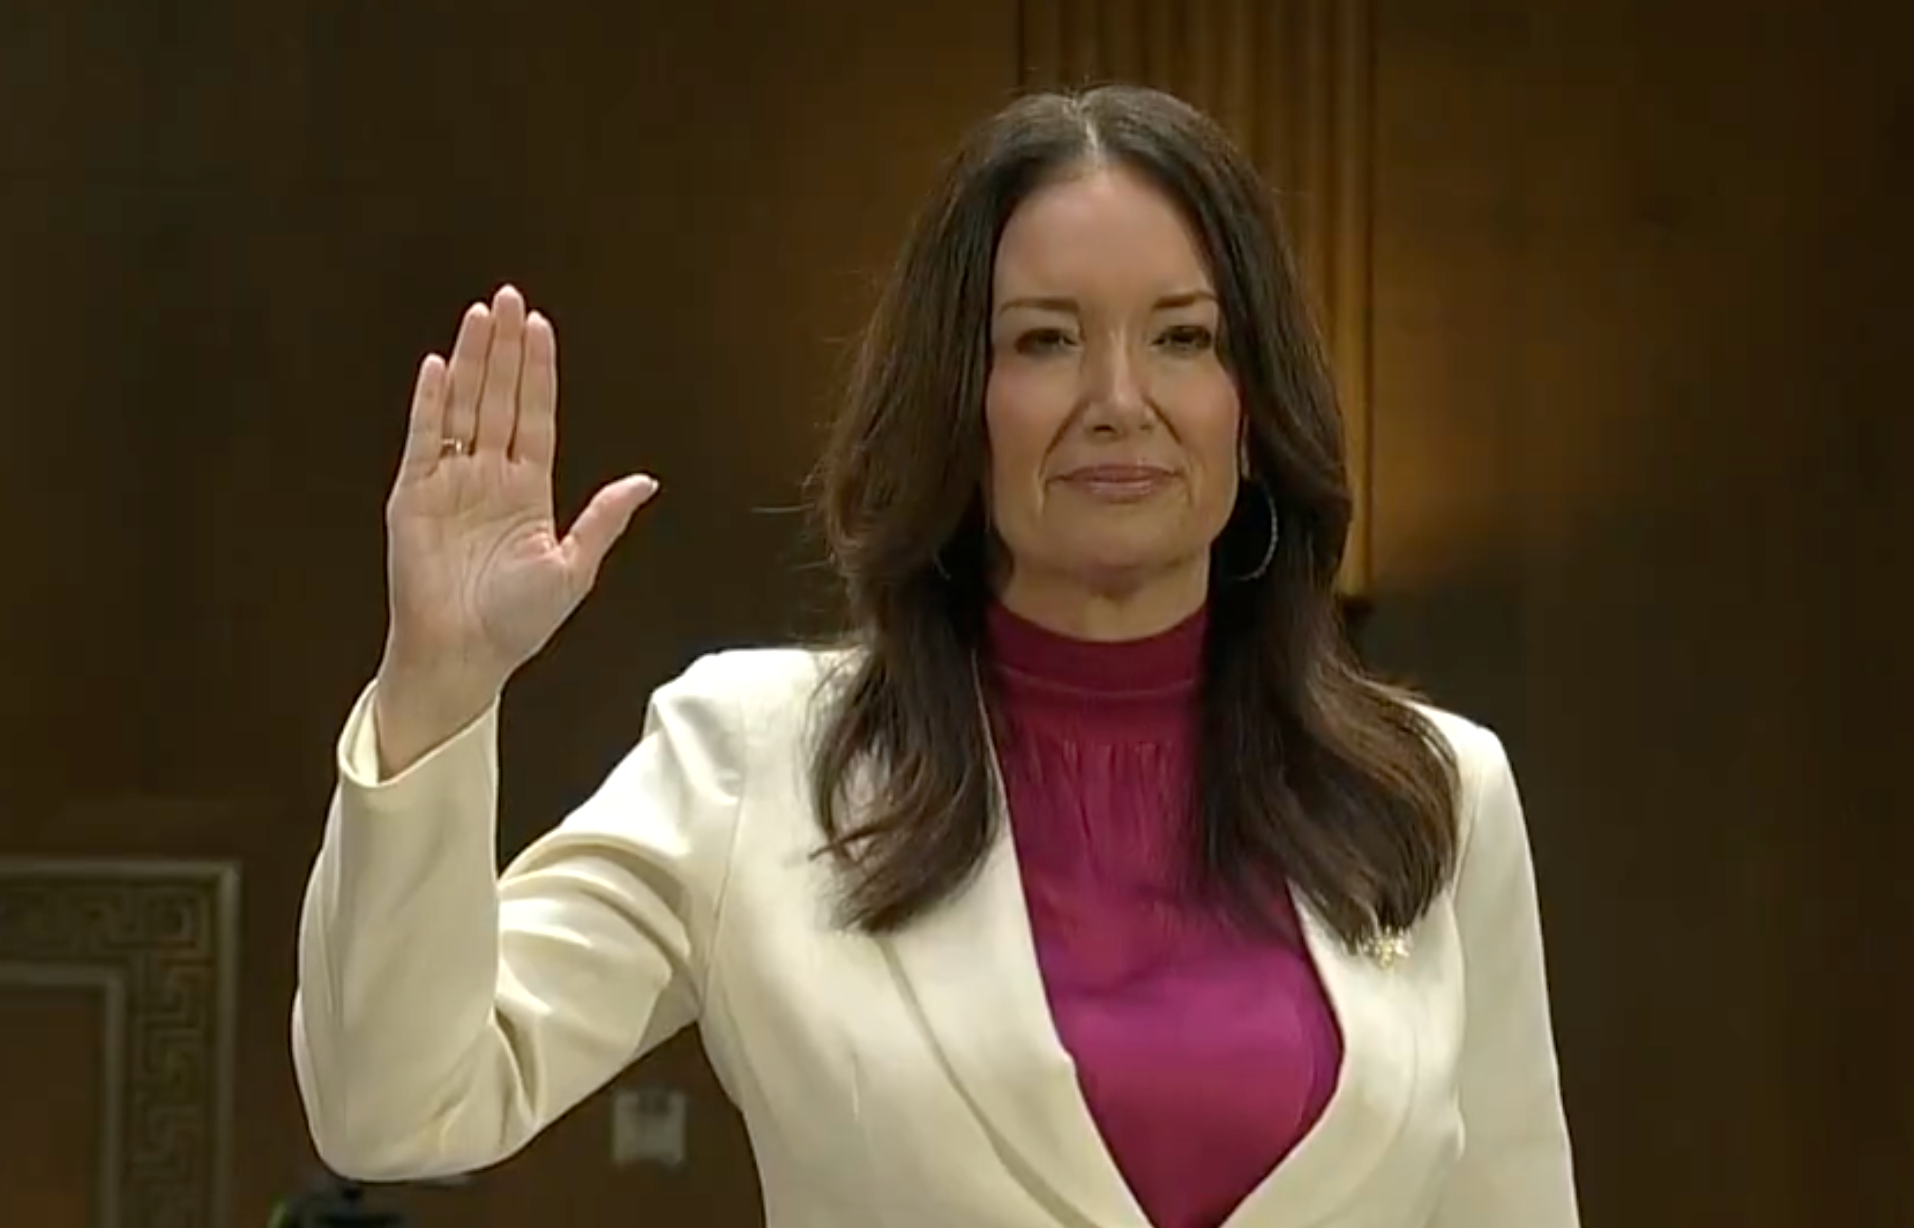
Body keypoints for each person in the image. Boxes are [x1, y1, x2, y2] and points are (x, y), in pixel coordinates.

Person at [293, 85, 1579, 1228]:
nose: (1117, 396)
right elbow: (397, 1107)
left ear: (1252, 408)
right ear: (958, 401)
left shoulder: (1439, 795)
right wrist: (440, 685)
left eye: (1184, 337)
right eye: (1045, 340)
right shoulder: (755, 757)